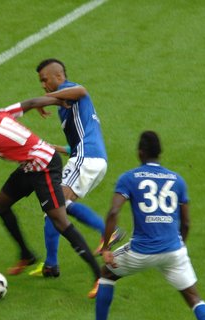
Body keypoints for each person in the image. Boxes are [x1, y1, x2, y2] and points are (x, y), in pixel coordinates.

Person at [79, 130, 205, 320]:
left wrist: (107, 247)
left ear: (140, 152)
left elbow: (113, 212)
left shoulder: (129, 178)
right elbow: (187, 222)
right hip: (174, 251)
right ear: (160, 153)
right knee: (193, 297)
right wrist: (179, 247)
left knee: (107, 273)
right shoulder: (177, 180)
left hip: (141, 251)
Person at [0, 96, 101, 295]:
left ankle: (99, 276)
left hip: (44, 166)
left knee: (60, 221)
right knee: (0, 204)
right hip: (30, 166)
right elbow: (30, 103)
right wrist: (55, 101)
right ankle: (26, 255)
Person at [27, 59, 124, 295]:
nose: (43, 85)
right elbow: (75, 145)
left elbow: (82, 90)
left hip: (87, 158)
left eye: (44, 79)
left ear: (58, 76)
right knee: (53, 209)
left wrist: (44, 99)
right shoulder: (66, 106)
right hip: (90, 158)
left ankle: (107, 231)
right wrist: (52, 148)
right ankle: (51, 265)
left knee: (56, 203)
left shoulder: (69, 89)